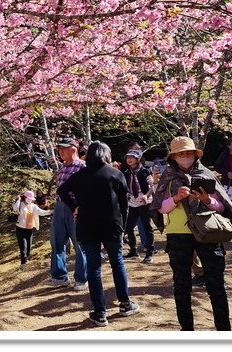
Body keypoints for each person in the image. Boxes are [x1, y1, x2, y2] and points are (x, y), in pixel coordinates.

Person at [150, 136, 232, 331]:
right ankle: (187, 330)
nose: (185, 157)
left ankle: (224, 330)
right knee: (181, 286)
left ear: (195, 155)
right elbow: (160, 208)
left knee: (216, 284)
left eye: (189, 153)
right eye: (181, 154)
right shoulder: (168, 177)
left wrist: (207, 200)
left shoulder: (206, 174)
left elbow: (222, 206)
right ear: (173, 157)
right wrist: (176, 198)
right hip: (178, 236)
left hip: (208, 233)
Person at [58, 141, 140, 327]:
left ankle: (100, 313)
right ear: (107, 154)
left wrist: (74, 207)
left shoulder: (80, 175)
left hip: (87, 226)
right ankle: (125, 304)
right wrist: (123, 226)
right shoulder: (115, 174)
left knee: (94, 268)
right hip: (112, 225)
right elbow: (124, 204)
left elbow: (62, 191)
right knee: (117, 262)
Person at [44, 136, 88, 290]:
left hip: (75, 207)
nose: (60, 151)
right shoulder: (62, 167)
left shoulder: (82, 166)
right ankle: (59, 276)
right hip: (60, 206)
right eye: (59, 149)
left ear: (74, 149)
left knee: (79, 242)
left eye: (64, 148)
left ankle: (81, 278)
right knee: (56, 241)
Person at [120, 146, 156, 263]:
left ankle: (149, 252)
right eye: (128, 157)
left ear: (138, 159)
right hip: (132, 203)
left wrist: (146, 195)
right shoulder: (126, 172)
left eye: (132, 157)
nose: (129, 160)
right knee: (128, 227)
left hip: (144, 202)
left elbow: (152, 186)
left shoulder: (145, 171)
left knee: (147, 227)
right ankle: (133, 251)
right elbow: (125, 187)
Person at [12, 190, 52, 266]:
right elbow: (15, 208)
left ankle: (25, 259)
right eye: (29, 198)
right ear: (25, 197)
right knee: (23, 246)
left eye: (31, 199)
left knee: (28, 247)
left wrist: (50, 211)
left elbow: (41, 212)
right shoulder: (20, 204)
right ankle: (23, 263)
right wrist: (19, 200)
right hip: (20, 228)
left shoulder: (33, 206)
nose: (30, 200)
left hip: (29, 228)